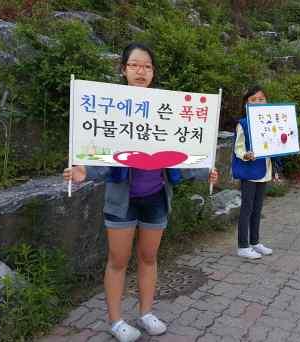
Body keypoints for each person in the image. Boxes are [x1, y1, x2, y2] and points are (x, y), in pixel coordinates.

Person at [63, 43, 218, 342]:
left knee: (149, 258)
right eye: (134, 65)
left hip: (156, 198)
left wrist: (204, 171)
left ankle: (146, 312)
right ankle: (116, 320)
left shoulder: (167, 108)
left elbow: (181, 155)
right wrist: (85, 171)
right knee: (118, 260)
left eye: (147, 66)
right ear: (123, 70)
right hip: (122, 201)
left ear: (153, 72)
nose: (141, 71)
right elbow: (101, 154)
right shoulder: (109, 104)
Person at [232, 86, 282, 259]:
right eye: (253, 100)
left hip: (264, 170)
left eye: (261, 99)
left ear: (267, 101)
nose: (257, 102)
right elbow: (238, 148)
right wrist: (246, 155)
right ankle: (243, 246)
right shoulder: (243, 123)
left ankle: (255, 242)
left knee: (258, 208)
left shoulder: (271, 121)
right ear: (246, 104)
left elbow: (276, 145)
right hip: (250, 171)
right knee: (247, 208)